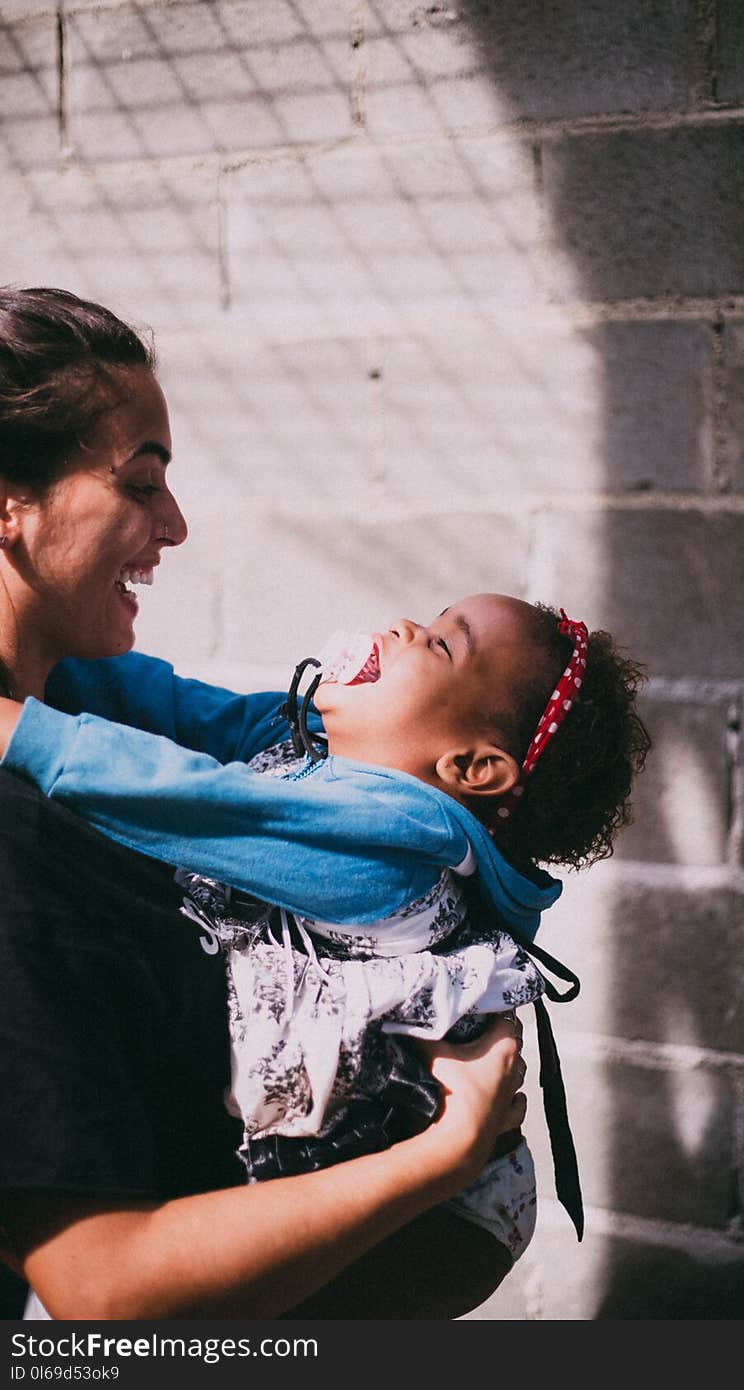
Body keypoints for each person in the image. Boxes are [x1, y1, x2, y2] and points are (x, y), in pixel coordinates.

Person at [0, 285, 527, 1321]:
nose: (178, 523)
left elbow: (220, 734)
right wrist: (446, 1151)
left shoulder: (86, 728)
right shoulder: (24, 821)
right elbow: (103, 1289)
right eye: (141, 482)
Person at [0, 592, 650, 1263]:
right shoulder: (313, 753)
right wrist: (46, 637)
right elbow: (173, 707)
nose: (403, 627)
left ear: (470, 768)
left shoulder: (391, 858)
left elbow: (200, 805)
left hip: (442, 1212)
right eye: (427, 620)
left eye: (441, 645)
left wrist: (20, 733)